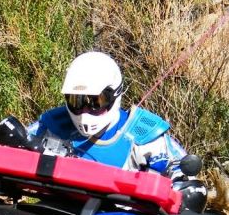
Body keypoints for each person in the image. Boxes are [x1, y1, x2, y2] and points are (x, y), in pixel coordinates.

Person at [26, 51, 189, 180]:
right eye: (77, 101)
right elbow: (18, 139)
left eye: (95, 102)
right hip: (60, 210)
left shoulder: (146, 134)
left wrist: (184, 184)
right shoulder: (55, 124)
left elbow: (182, 167)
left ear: (114, 96)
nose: (84, 112)